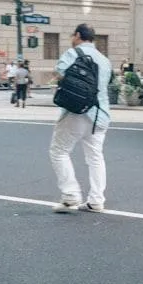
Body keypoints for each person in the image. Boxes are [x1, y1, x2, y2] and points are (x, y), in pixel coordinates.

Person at [49, 24, 111, 213]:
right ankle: (96, 201)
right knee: (95, 157)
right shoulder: (104, 60)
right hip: (101, 114)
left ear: (77, 35)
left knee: (59, 151)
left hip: (76, 112)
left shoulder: (73, 53)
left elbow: (58, 73)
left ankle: (70, 196)